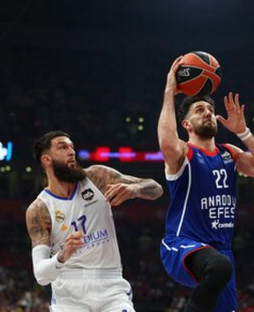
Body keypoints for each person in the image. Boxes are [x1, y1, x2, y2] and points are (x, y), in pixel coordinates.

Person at [157, 57, 254, 311]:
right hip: (181, 244)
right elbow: (167, 143)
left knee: (222, 272)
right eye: (199, 110)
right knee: (219, 266)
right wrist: (170, 91)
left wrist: (243, 132)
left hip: (221, 250)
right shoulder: (183, 153)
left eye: (210, 109)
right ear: (186, 125)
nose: (208, 113)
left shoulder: (230, 153)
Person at [25, 130, 163, 311]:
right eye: (63, 147)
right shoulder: (39, 209)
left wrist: (135, 189)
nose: (71, 151)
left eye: (72, 146)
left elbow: (156, 188)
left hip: (110, 285)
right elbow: (41, 274)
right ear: (46, 160)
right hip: (69, 291)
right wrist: (62, 255)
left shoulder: (97, 177)